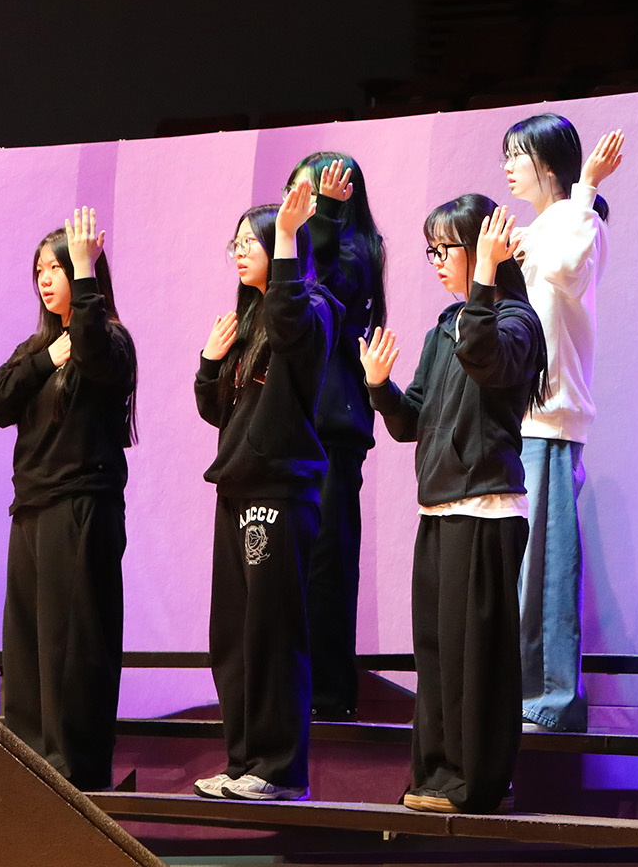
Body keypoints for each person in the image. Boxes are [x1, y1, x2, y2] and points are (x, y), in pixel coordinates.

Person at [360, 195, 547, 815]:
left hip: (486, 508)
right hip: (439, 510)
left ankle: (476, 782)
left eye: (447, 248)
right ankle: (437, 775)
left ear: (482, 249)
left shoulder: (515, 321)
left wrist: (486, 280)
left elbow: (486, 359)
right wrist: (380, 388)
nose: (437, 260)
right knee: (438, 656)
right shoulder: (446, 326)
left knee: (477, 658)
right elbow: (412, 421)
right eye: (431, 250)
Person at [0, 207, 138, 791]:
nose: (46, 279)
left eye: (59, 268)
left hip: (81, 508)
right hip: (32, 510)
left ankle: (73, 776)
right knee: (26, 650)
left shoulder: (110, 340)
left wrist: (87, 272)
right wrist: (49, 357)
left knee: (73, 649)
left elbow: (93, 353)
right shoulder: (39, 349)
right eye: (40, 270)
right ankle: (28, 771)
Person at [192, 182, 338, 801]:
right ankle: (243, 761)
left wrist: (285, 240)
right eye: (236, 243)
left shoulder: (313, 308)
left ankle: (279, 771)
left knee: (273, 633)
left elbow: (289, 320)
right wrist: (209, 362)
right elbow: (217, 411)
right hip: (235, 487)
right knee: (233, 634)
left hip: (279, 491)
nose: (239, 251)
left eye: (251, 241)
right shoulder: (248, 321)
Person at [501, 114, 623, 733]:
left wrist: (587, 188)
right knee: (524, 566)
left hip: (552, 419)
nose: (507, 167)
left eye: (516, 156)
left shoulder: (581, 221)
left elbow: (570, 270)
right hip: (520, 416)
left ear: (548, 165)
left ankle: (551, 702)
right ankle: (523, 692)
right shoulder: (534, 230)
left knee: (547, 569)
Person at [285, 152, 386, 722]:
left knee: (328, 561)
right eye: (298, 193)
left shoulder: (358, 251)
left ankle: (327, 692)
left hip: (334, 429)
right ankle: (293, 686)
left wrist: (322, 217)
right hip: (294, 426)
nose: (300, 204)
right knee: (291, 564)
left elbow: (332, 290)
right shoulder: (295, 250)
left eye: (316, 194)